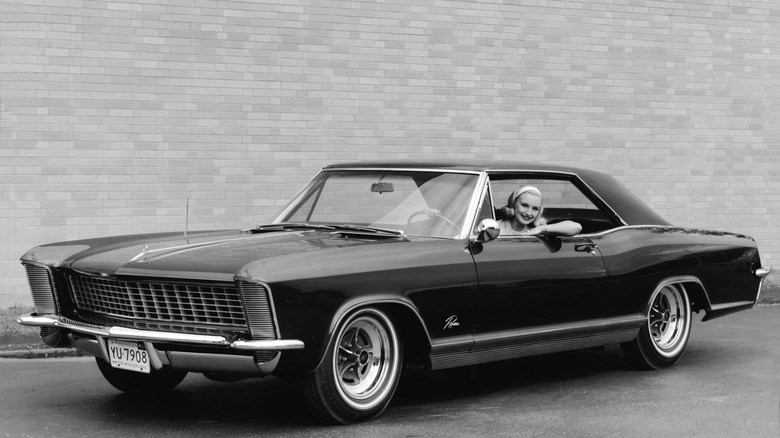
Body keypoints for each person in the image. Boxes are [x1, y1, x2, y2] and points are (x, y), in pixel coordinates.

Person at [497, 186, 582, 236]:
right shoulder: (496, 227)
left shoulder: (537, 229)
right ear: (513, 204)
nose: (529, 213)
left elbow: (577, 227)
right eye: (524, 205)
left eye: (535, 209)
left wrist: (542, 228)